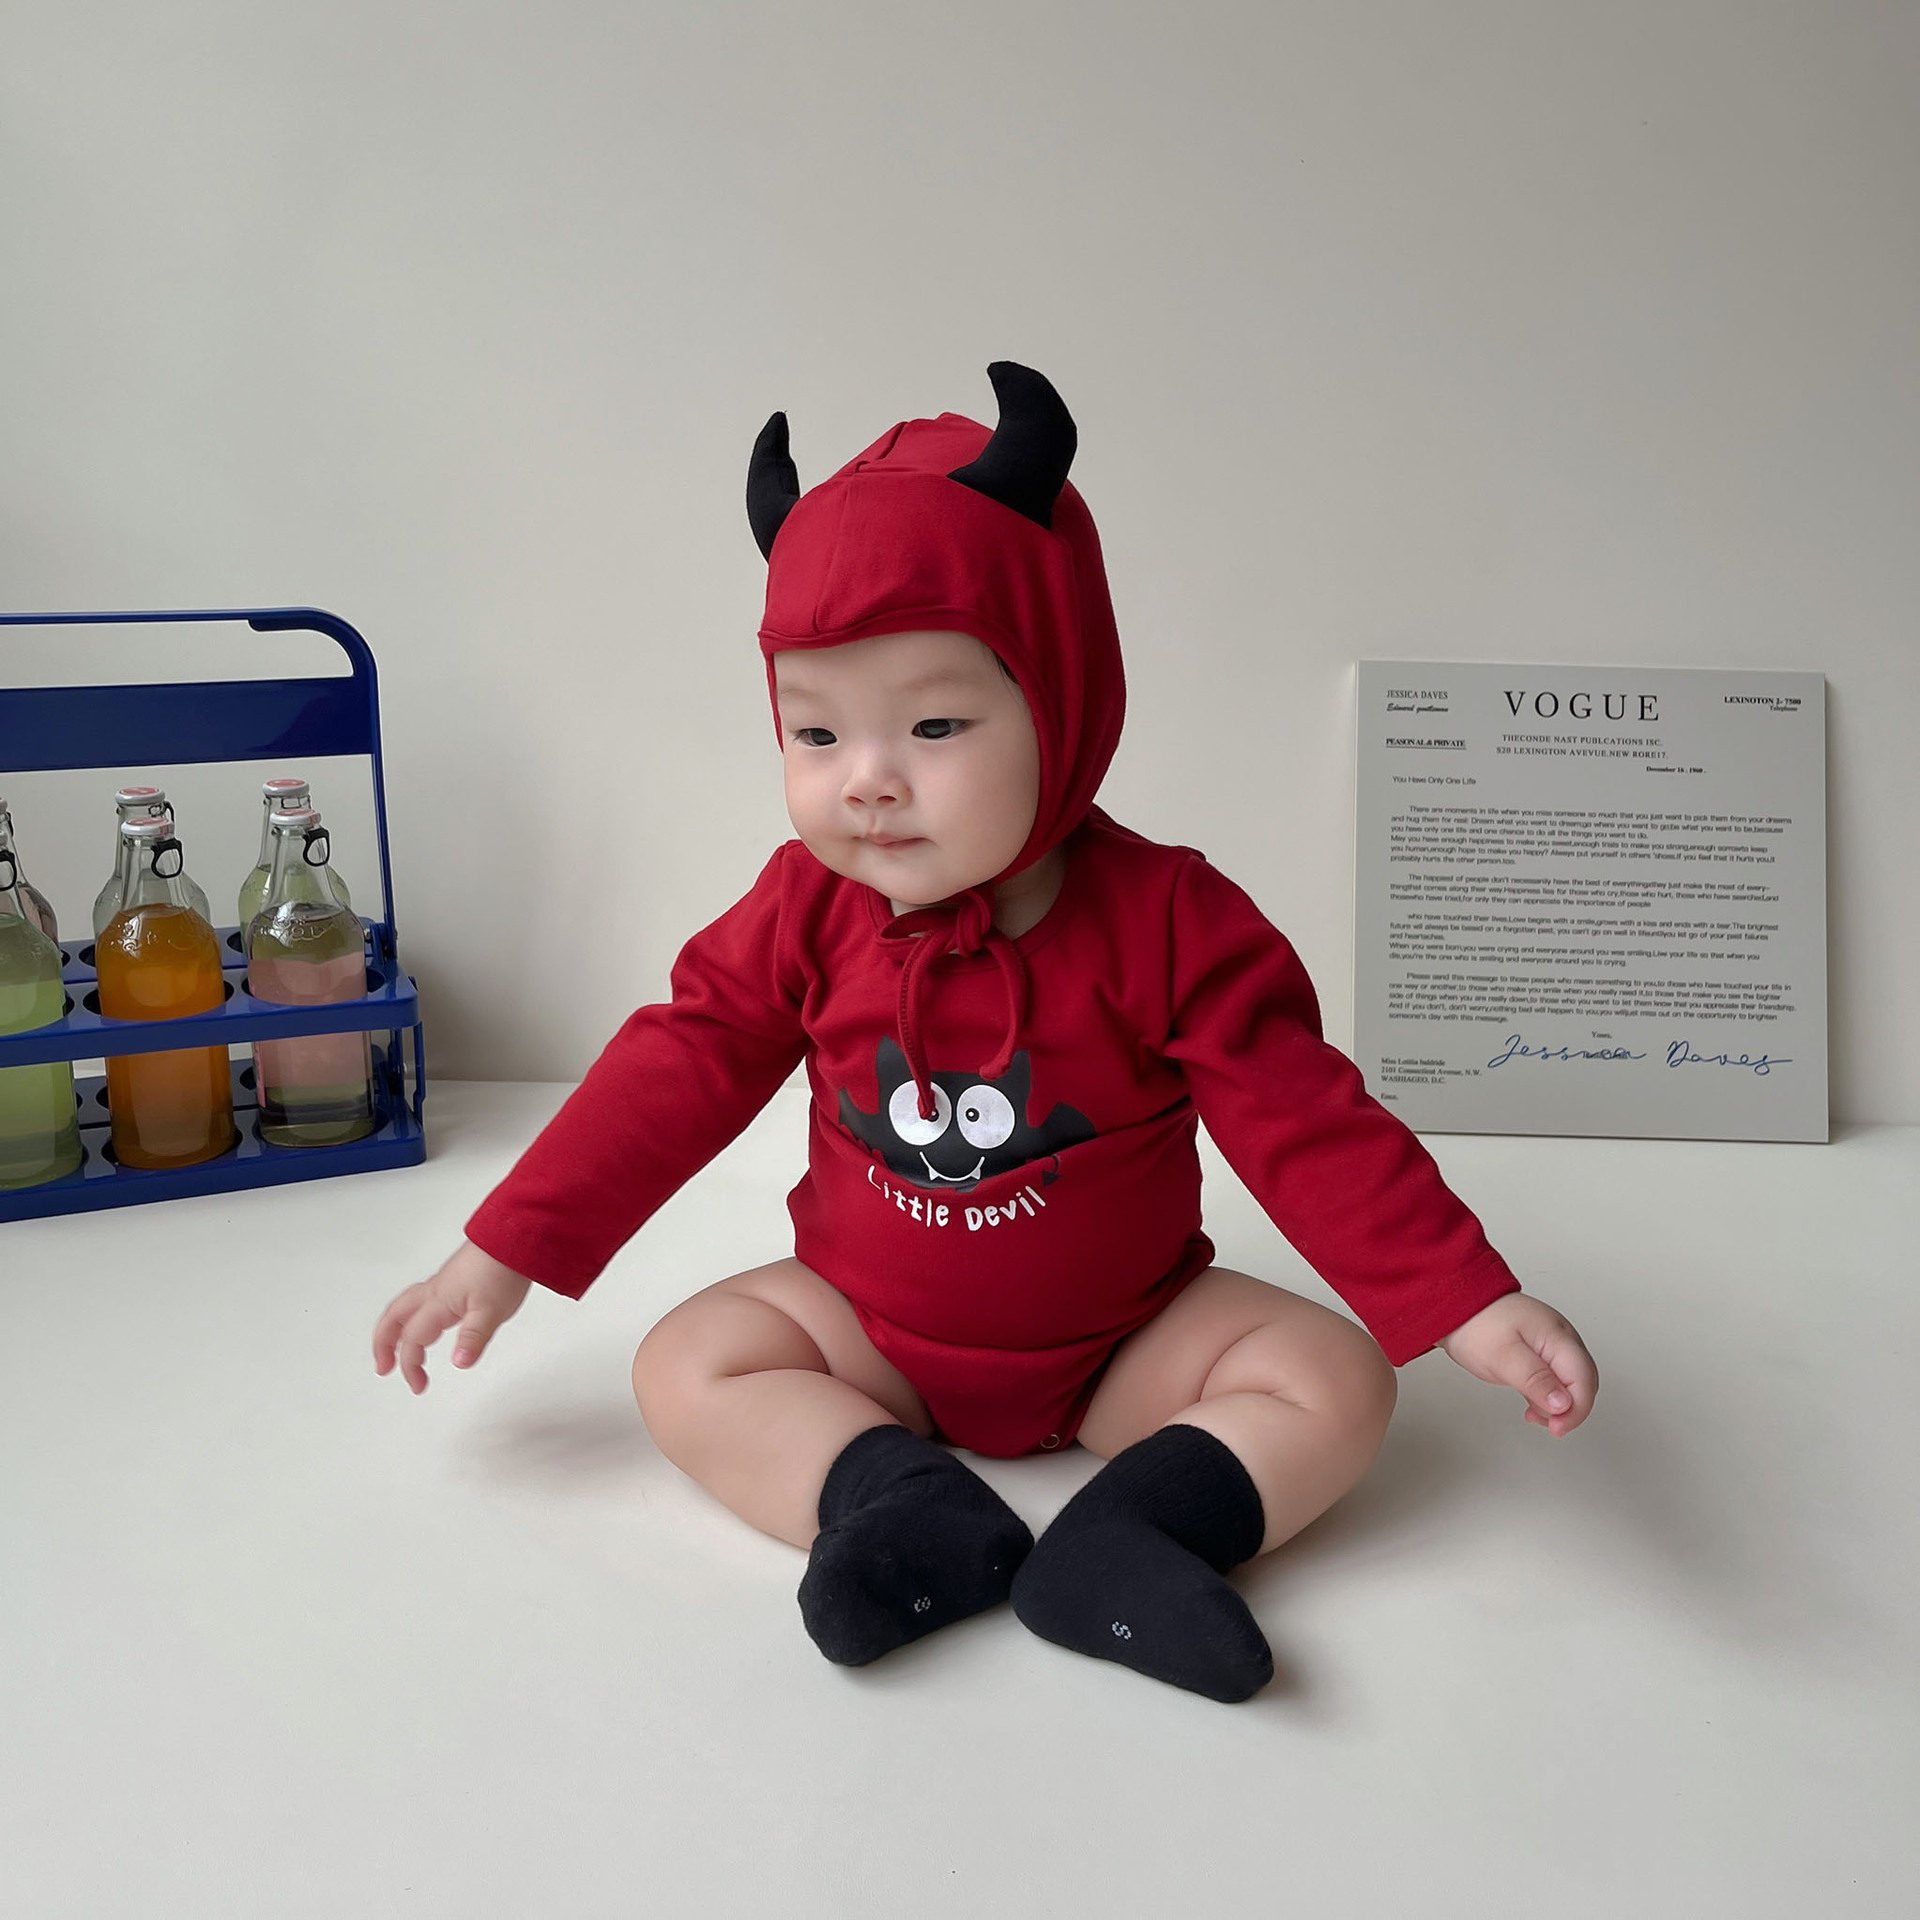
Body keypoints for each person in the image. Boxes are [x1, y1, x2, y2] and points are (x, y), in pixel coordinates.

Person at [372, 363, 1598, 1703]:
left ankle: (1133, 1538)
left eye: (935, 723)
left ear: (1061, 700)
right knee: (685, 1365)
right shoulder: (806, 909)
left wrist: (1461, 1296)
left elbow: (1305, 1119)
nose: (868, 780)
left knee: (1337, 1381)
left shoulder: (1169, 919)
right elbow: (680, 1060)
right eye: (816, 731)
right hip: (865, 1335)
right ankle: (891, 1505)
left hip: (1128, 1344)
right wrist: (512, 1243)